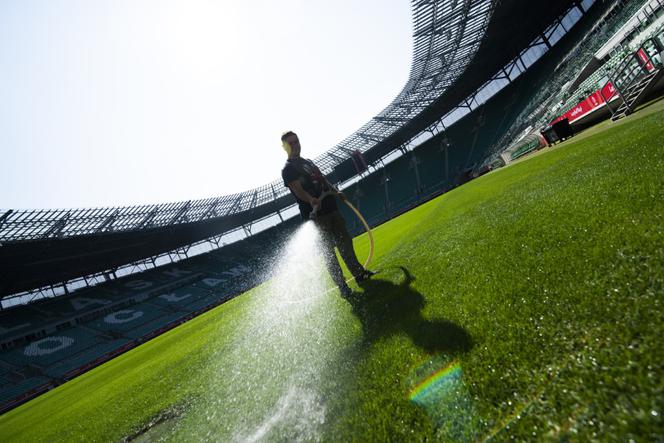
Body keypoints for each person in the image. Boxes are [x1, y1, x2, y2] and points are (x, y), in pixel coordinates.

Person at [280, 130, 374, 295]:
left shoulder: (307, 162)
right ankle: (343, 288)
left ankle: (359, 275)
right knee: (329, 254)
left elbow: (322, 180)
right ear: (285, 147)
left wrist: (336, 191)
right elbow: (297, 189)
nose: (295, 145)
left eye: (297, 141)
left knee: (345, 243)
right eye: (291, 143)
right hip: (317, 215)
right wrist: (311, 199)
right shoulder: (288, 169)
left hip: (332, 208)